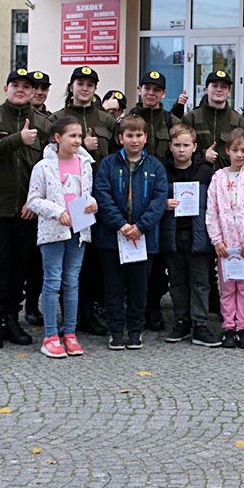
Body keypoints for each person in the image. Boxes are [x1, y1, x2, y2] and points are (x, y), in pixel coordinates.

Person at [0, 68, 51, 349]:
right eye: (15, 85)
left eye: (26, 86)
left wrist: (36, 201)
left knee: (21, 267)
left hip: (27, 210)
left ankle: (12, 319)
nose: (21, 90)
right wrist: (18, 139)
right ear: (6, 88)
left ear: (34, 92)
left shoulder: (45, 123)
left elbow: (50, 168)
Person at [51, 65, 119, 337]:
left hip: (94, 200)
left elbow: (115, 158)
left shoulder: (106, 120)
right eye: (80, 83)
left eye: (90, 84)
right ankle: (68, 315)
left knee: (90, 262)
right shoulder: (56, 118)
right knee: (64, 260)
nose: (85, 88)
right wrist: (81, 147)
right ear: (71, 87)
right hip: (65, 202)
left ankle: (88, 313)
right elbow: (48, 156)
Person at [94, 114, 169, 351]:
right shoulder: (108, 164)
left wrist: (140, 227)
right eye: (129, 135)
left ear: (146, 137)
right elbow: (102, 196)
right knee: (113, 287)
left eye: (138, 135)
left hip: (143, 238)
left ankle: (136, 330)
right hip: (112, 237)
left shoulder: (155, 166)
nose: (134, 140)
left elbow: (159, 200)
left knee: (139, 288)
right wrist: (121, 224)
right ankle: (116, 330)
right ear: (120, 138)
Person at [25, 116, 98, 358]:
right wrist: (58, 213)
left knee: (72, 282)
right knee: (52, 281)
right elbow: (34, 200)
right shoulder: (44, 167)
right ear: (57, 138)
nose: (77, 140)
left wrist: (92, 203)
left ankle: (70, 333)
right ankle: (50, 336)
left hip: (79, 230)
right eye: (72, 136)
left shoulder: (85, 164)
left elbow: (85, 193)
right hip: (54, 232)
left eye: (79, 136)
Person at [207, 128, 244, 348]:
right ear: (227, 151)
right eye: (235, 150)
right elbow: (212, 210)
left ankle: (242, 327)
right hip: (226, 245)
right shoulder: (218, 177)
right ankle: (228, 327)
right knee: (227, 286)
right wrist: (217, 240)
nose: (239, 155)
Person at [160, 123, 218, 347]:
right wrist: (163, 204)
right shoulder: (162, 171)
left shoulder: (206, 172)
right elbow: (153, 198)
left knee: (200, 282)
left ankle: (200, 324)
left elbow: (215, 203)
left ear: (195, 147)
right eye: (177, 145)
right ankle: (181, 321)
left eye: (186, 145)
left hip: (199, 234)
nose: (181, 150)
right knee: (177, 281)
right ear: (170, 146)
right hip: (172, 233)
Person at [128, 70, 178, 332]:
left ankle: (153, 306)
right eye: (147, 88)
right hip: (133, 197)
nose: (151, 93)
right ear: (139, 90)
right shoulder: (127, 120)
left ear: (163, 94)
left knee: (158, 258)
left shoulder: (172, 122)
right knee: (133, 256)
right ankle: (134, 307)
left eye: (156, 89)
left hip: (162, 197)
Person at [182, 69, 244, 169]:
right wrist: (203, 155)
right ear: (206, 90)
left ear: (229, 92)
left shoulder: (238, 121)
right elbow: (179, 150)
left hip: (229, 176)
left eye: (223, 87)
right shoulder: (191, 118)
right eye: (214, 86)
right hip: (197, 174)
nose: (219, 90)